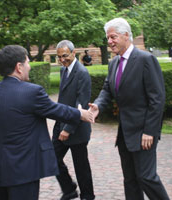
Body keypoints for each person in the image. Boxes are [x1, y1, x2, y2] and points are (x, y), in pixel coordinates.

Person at [0, 45, 93, 200]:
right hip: (24, 172)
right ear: (19, 67)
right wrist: (80, 113)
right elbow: (56, 110)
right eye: (27, 63)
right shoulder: (31, 92)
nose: (29, 67)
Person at [89, 18, 170, 200]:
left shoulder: (146, 59)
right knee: (130, 180)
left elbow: (157, 99)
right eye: (108, 38)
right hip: (125, 133)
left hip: (144, 133)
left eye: (113, 37)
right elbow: (107, 90)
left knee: (146, 177)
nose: (109, 41)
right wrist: (98, 106)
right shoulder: (114, 63)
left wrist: (150, 131)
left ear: (126, 35)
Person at [53, 40, 95, 200]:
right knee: (52, 157)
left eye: (65, 56)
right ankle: (69, 188)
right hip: (61, 123)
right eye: (59, 57)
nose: (62, 60)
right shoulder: (63, 71)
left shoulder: (82, 73)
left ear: (73, 53)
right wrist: (59, 125)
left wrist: (67, 129)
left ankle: (88, 196)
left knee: (81, 167)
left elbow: (81, 105)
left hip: (76, 128)